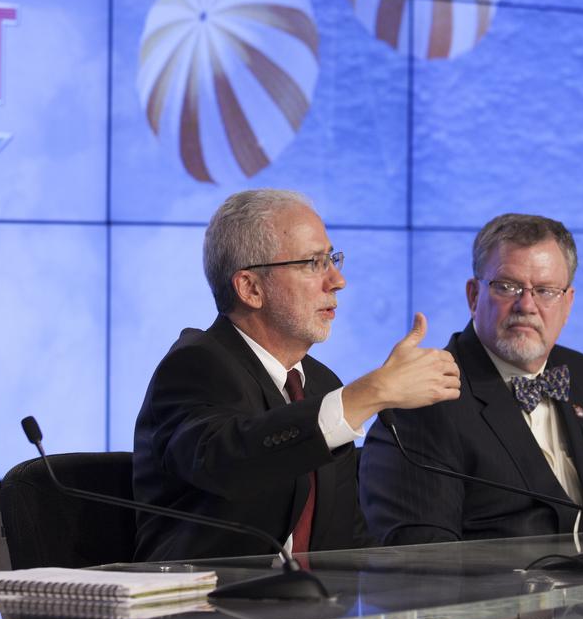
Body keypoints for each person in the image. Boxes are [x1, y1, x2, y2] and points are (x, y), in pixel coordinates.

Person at [132, 189, 460, 562]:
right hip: (205, 610)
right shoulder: (195, 365)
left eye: (332, 259)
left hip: (311, 612)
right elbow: (232, 463)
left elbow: (346, 545)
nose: (337, 280)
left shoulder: (321, 385)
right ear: (251, 288)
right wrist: (372, 392)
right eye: (313, 263)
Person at [360, 213, 583, 545]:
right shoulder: (426, 398)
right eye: (507, 287)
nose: (527, 306)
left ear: (568, 302)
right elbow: (421, 557)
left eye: (545, 291)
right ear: (473, 295)